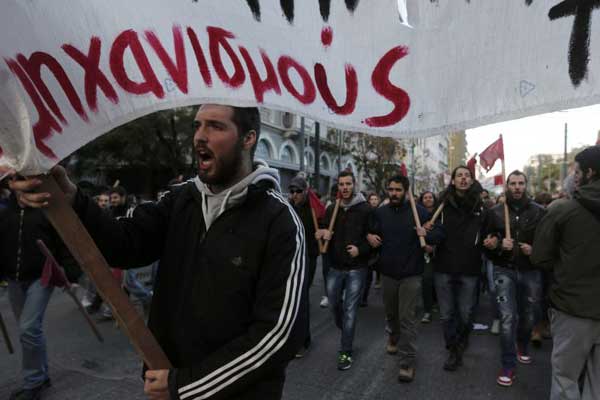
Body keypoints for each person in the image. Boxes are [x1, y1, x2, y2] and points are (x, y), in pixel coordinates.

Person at [9, 104, 307, 400]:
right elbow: (123, 244)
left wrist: (185, 386)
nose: (199, 136)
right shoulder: (180, 200)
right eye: (197, 125)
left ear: (248, 138)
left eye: (215, 126)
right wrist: (73, 199)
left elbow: (277, 336)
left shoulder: (279, 221)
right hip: (168, 384)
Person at [531, 146, 600, 400]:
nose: (575, 176)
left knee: (565, 379)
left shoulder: (562, 210)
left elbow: (540, 257)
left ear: (590, 173)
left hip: (573, 308)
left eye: (578, 171)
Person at [0, 187, 79, 400]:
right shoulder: (5, 213)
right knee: (30, 331)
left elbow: (64, 243)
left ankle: (33, 382)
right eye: (17, 182)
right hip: (14, 279)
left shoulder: (46, 212)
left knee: (28, 329)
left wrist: (70, 273)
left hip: (42, 277)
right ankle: (42, 376)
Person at [368, 176, 444, 382]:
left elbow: (438, 234)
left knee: (407, 319)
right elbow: (369, 231)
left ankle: (407, 362)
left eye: (398, 190)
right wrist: (369, 237)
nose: (393, 193)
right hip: (388, 273)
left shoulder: (419, 212)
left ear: (406, 191)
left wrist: (426, 234)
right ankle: (393, 335)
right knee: (392, 315)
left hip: (411, 274)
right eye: (390, 189)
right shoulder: (381, 212)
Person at [483, 171, 546, 387]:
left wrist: (535, 249)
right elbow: (487, 244)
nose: (517, 187)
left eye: (521, 183)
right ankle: (508, 365)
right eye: (513, 183)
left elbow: (549, 244)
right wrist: (499, 246)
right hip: (504, 270)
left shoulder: (540, 212)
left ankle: (522, 344)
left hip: (531, 270)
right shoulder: (496, 212)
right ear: (507, 186)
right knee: (508, 318)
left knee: (530, 315)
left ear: (526, 185)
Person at [432, 166, 491, 372]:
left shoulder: (481, 207)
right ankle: (453, 349)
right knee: (447, 313)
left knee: (466, 313)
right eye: (459, 176)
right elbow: (434, 233)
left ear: (471, 180)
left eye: (467, 176)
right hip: (444, 266)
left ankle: (462, 339)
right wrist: (427, 233)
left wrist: (494, 240)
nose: (463, 179)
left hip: (470, 268)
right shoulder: (443, 204)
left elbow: (490, 233)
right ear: (453, 181)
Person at [316, 171, 371, 371]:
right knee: (333, 304)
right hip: (335, 266)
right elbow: (324, 228)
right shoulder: (332, 208)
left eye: (348, 184)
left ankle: (345, 351)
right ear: (338, 186)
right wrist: (322, 232)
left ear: (354, 185)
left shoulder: (365, 209)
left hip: (357, 268)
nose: (345, 187)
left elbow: (374, 237)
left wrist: (361, 249)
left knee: (350, 311)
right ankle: (346, 330)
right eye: (341, 184)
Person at [288, 175, 320, 358]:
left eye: (298, 191)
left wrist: (322, 232)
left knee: (301, 298)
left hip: (309, 257)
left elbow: (324, 225)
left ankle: (302, 341)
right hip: (291, 258)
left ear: (305, 191)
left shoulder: (313, 209)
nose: (294, 195)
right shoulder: (287, 207)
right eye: (292, 191)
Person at [418, 191, 438, 324]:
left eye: (430, 197)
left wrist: (435, 246)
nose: (428, 199)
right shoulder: (417, 214)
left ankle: (436, 302)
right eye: (425, 197)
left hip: (439, 252)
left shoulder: (440, 214)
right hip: (422, 253)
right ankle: (427, 310)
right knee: (426, 279)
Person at [361, 192, 382, 306]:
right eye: (372, 199)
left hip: (379, 247)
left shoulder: (382, 213)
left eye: (376, 199)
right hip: (367, 247)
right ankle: (363, 297)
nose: (374, 201)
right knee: (366, 275)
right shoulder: (365, 212)